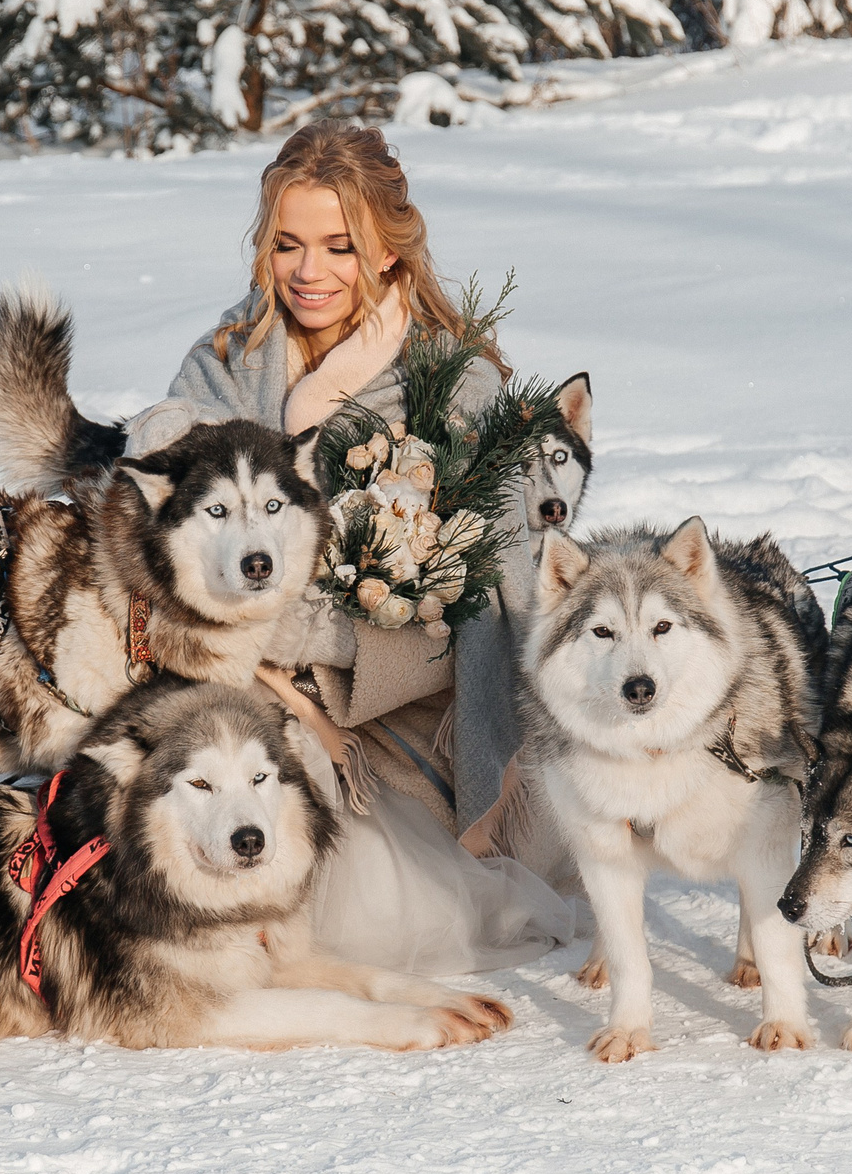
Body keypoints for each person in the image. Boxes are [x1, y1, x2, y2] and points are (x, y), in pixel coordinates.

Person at [123, 122, 572, 976]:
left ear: (389, 248)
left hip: (388, 715)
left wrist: (301, 635)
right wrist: (164, 438)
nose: (308, 271)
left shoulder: (454, 380)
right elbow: (162, 519)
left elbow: (484, 595)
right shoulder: (228, 358)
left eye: (339, 246)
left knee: (306, 821)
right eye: (287, 244)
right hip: (239, 669)